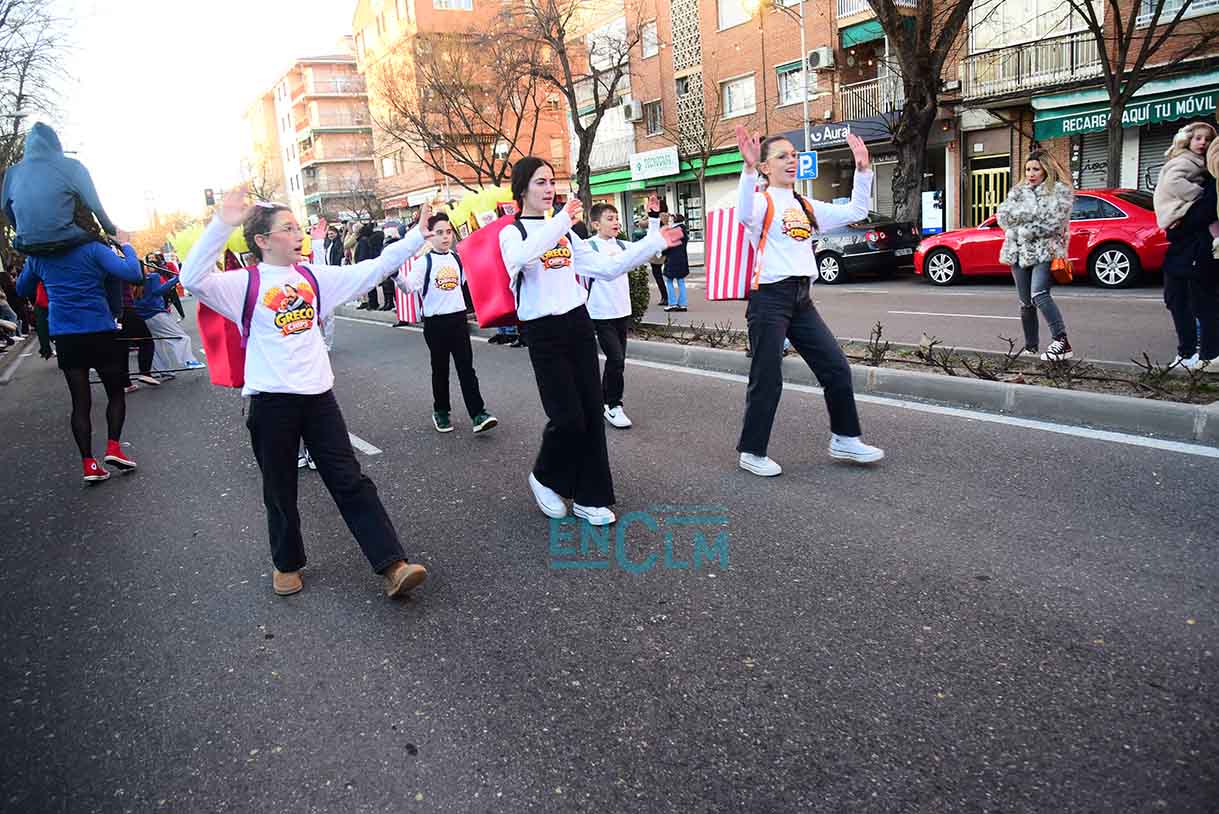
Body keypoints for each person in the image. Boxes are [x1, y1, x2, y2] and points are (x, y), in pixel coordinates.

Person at [179, 187, 432, 599]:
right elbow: (191, 278)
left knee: (350, 481)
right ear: (263, 240)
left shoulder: (314, 278)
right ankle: (287, 563)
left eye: (299, 227)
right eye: (289, 228)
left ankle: (392, 564)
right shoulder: (243, 284)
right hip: (270, 402)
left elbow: (373, 269)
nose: (299, 235)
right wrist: (222, 222)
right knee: (280, 489)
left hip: (319, 400)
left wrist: (416, 236)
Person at [499, 157, 680, 526]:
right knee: (567, 417)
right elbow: (522, 258)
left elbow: (608, 267)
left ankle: (590, 497)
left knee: (592, 416)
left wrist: (653, 239)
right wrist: (562, 220)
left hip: (578, 324)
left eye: (551, 181)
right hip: (543, 332)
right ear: (521, 189)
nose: (549, 188)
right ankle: (544, 477)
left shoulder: (566, 233)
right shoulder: (512, 233)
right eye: (539, 182)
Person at [733, 126, 885, 477]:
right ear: (766, 167)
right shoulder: (761, 201)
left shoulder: (805, 205)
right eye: (782, 156)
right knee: (767, 377)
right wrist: (748, 169)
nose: (791, 161)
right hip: (769, 299)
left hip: (801, 300)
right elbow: (742, 214)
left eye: (794, 155)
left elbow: (856, 210)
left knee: (836, 367)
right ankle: (751, 451)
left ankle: (845, 438)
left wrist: (863, 170)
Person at [15, 224, 144, 481]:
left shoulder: (39, 257)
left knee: (80, 402)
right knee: (115, 392)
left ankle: (89, 464)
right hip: (99, 329)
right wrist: (126, 244)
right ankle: (113, 447)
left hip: (65, 335)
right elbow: (133, 274)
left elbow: (21, 289)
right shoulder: (94, 249)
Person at [398, 212, 498, 434]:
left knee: (466, 368)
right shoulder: (423, 263)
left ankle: (478, 414)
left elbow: (471, 281)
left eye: (448, 232)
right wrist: (396, 275)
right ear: (430, 236)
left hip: (458, 320)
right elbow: (408, 288)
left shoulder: (458, 259)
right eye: (439, 233)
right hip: (435, 323)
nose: (445, 237)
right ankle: (441, 411)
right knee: (440, 369)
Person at [583, 197, 661, 429]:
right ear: (596, 224)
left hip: (621, 311)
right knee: (616, 360)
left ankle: (603, 401)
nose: (616, 222)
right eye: (610, 218)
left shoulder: (623, 246)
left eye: (617, 218)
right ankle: (613, 405)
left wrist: (654, 218)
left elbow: (650, 246)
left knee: (617, 361)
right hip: (599, 314)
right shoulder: (588, 247)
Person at [996, 149, 1075, 361]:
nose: (1031, 174)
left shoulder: (1059, 192)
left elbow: (1051, 224)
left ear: (1046, 170)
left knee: (1039, 294)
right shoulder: (1018, 191)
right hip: (1018, 251)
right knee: (1025, 303)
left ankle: (1062, 341)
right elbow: (1003, 216)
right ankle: (1031, 348)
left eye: (1036, 169)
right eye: (1028, 169)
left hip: (1045, 251)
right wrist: (1024, 224)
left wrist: (1023, 226)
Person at [1160, 159, 1219, 369]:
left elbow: (1205, 212)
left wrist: (1179, 224)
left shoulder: (1210, 183)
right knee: (1175, 299)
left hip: (1201, 248)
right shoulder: (1191, 174)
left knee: (1202, 303)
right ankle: (1188, 353)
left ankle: (1209, 355)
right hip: (1181, 249)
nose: (1201, 144)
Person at [633, 215, 668, 307]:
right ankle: (668, 297)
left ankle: (665, 297)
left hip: (657, 254)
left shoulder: (654, 224)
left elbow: (641, 224)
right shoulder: (665, 222)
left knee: (658, 276)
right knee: (666, 277)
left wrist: (646, 216)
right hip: (664, 252)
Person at [662, 213, 690, 312]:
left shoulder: (674, 231)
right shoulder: (683, 230)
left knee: (669, 281)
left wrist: (662, 252)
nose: (669, 222)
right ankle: (683, 304)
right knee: (681, 281)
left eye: (670, 220)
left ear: (674, 220)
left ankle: (672, 303)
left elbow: (668, 246)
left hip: (672, 260)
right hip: (682, 259)